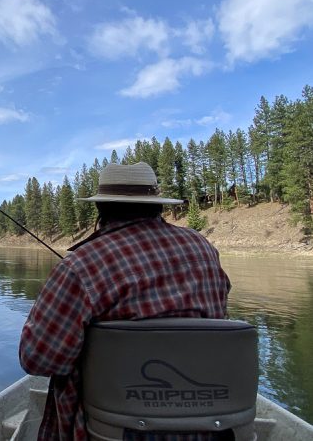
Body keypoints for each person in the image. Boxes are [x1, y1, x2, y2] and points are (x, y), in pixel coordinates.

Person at [19, 162, 231, 440]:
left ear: (101, 208)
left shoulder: (82, 265)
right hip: (204, 427)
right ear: (156, 204)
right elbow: (221, 310)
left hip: (109, 432)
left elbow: (37, 359)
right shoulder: (203, 248)